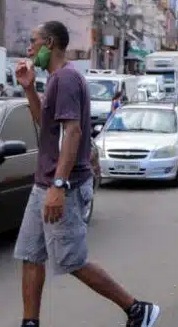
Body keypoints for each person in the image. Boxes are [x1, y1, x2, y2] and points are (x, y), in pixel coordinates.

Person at [12, 21, 160, 327]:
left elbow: (74, 132)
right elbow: (48, 125)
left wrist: (58, 185)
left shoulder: (66, 79)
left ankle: (137, 309)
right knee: (30, 254)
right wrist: (29, 89)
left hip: (61, 184)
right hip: (45, 183)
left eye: (33, 41)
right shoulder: (54, 79)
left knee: (72, 260)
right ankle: (30, 322)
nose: (29, 48)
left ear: (49, 43)